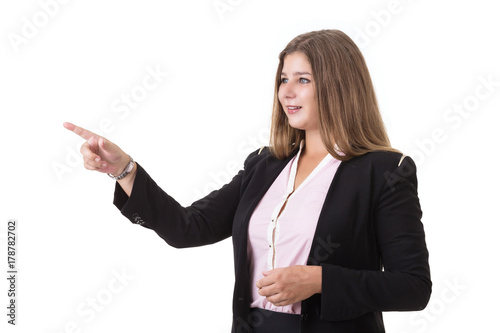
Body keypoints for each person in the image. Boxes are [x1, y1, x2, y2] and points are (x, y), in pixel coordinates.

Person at [64, 29, 431, 332]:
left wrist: (319, 280)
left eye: (303, 80)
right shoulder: (265, 164)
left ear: (339, 86)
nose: (286, 92)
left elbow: (413, 288)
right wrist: (124, 168)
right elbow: (187, 228)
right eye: (283, 79)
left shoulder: (385, 170)